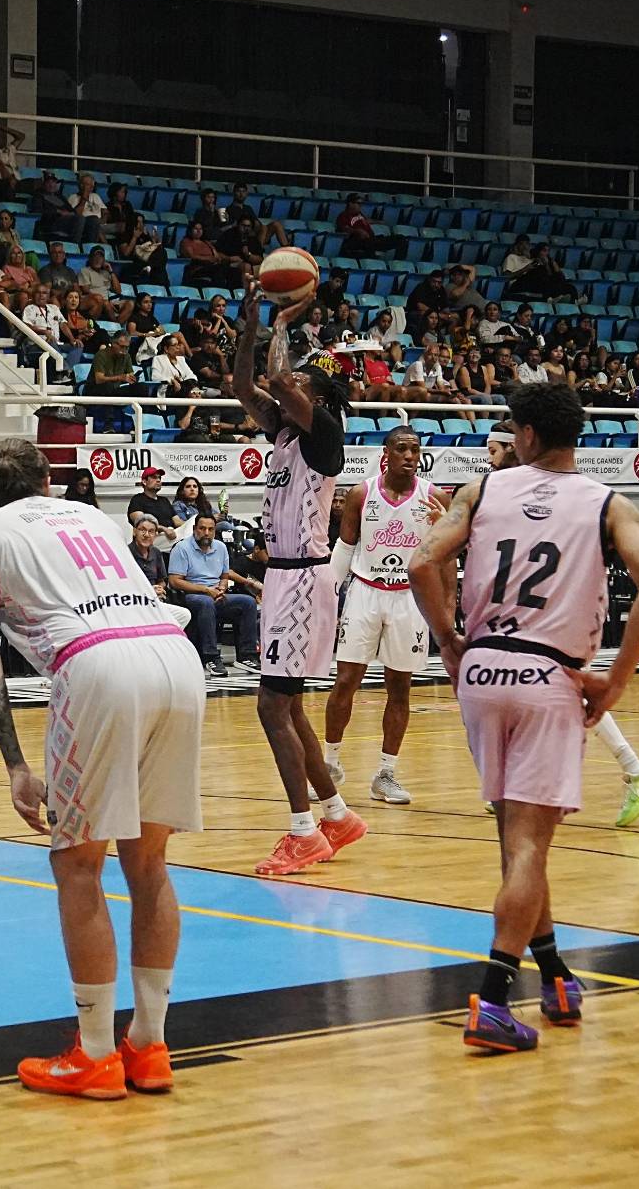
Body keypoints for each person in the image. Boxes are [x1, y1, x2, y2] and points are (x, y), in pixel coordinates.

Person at [408, 383, 639, 1053]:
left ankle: (554, 974)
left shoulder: (483, 490)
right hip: (548, 674)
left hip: (481, 671)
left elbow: (421, 563)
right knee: (529, 845)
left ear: (524, 434)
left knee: (515, 840)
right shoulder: (607, 502)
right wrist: (614, 679)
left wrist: (446, 638)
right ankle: (493, 1001)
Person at [0, 438, 204, 1099]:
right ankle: (149, 1047)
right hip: (175, 655)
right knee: (149, 864)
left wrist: (15, 766)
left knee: (77, 864)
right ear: (49, 483)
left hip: (97, 665)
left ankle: (94, 1054)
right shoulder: (94, 518)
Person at [232, 291, 367, 874]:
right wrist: (251, 326)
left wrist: (284, 324)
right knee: (290, 707)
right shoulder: (284, 433)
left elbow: (279, 378)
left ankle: (302, 831)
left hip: (304, 580)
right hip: (285, 581)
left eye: (301, 387)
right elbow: (245, 386)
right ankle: (335, 815)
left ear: (319, 399)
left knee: (271, 707)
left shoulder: (323, 433)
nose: (287, 391)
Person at [322, 426, 447, 806]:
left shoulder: (435, 497)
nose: (409, 456)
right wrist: (327, 594)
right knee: (346, 680)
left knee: (400, 686)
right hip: (365, 591)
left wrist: (447, 609)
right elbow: (344, 547)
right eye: (401, 449)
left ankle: (386, 773)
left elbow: (446, 555)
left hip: (409, 598)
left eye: (415, 449)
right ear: (386, 453)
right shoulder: (362, 493)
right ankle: (329, 766)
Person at [166, 512, 260, 674]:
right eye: (202, 528)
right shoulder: (182, 548)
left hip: (216, 593)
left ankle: (246, 656)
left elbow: (224, 576)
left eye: (210, 529)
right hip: (192, 595)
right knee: (206, 602)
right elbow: (175, 581)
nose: (206, 533)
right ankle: (211, 657)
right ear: (195, 529)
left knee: (248, 603)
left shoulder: (221, 547)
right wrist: (206, 590)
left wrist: (222, 588)